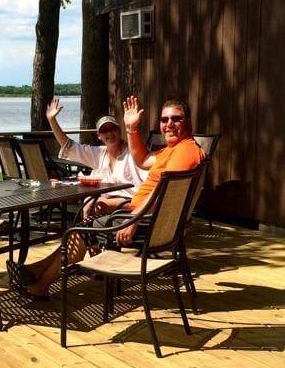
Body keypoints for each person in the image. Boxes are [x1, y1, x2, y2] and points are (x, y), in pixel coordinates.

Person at [12, 96, 205, 298]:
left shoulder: (185, 153)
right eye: (164, 120)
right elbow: (143, 160)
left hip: (146, 222)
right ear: (98, 136)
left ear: (188, 122)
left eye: (176, 119)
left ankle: (41, 284)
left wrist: (134, 220)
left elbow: (165, 195)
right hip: (141, 216)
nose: (169, 124)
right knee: (82, 228)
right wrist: (132, 128)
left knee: (80, 232)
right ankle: (37, 270)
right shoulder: (173, 150)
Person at [45, 97, 145, 211]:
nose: (109, 133)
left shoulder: (133, 153)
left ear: (119, 130)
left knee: (95, 204)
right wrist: (52, 120)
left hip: (130, 203)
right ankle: (85, 227)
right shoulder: (99, 153)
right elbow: (69, 146)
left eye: (113, 128)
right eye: (104, 131)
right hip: (106, 202)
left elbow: (150, 181)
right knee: (89, 203)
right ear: (99, 135)